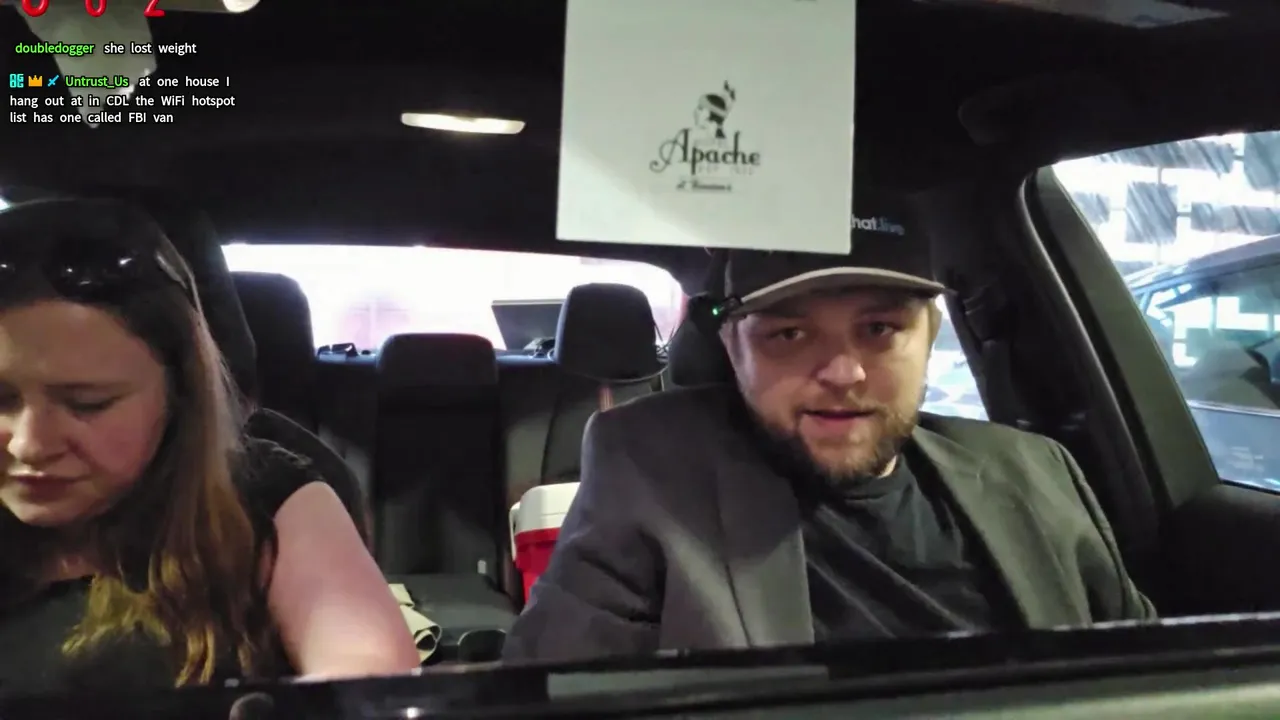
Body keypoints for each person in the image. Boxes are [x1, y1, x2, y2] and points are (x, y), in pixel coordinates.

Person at [503, 197, 1156, 663]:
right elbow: (554, 691)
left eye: (879, 329)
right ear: (732, 347)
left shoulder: (1036, 470)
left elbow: (1150, 680)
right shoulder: (649, 475)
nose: (843, 372)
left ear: (930, 334)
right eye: (790, 334)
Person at [0, 198, 420, 694]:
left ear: (179, 395)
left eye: (88, 405)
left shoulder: (262, 496)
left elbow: (368, 677)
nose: (30, 445)